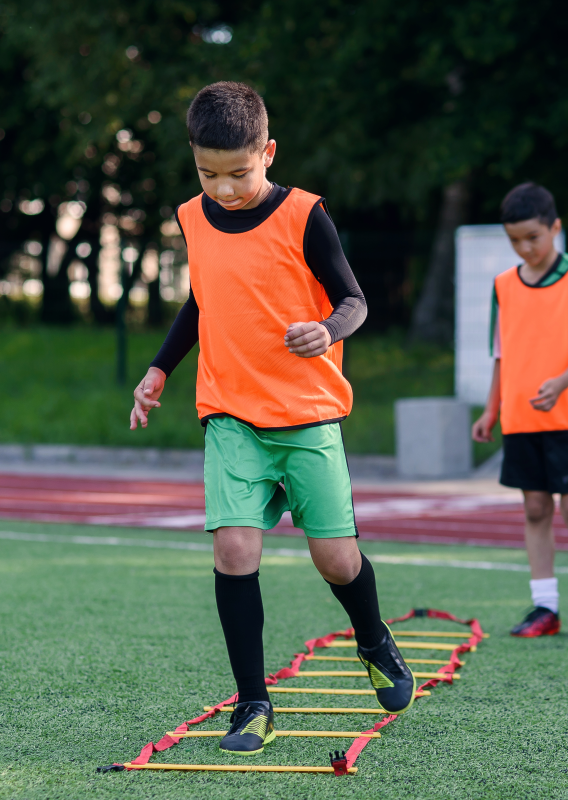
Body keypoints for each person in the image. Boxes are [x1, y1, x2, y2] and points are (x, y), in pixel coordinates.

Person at [129, 82, 415, 755]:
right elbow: (202, 300)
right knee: (234, 551)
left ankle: (373, 639)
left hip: (308, 415)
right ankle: (253, 703)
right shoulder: (193, 217)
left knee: (337, 561)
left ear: (268, 153)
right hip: (230, 413)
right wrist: (160, 368)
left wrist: (327, 329)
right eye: (208, 174)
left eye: (239, 173)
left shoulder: (305, 215)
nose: (224, 189)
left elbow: (354, 299)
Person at [472, 182, 568, 643]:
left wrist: (561, 382)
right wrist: (491, 409)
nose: (524, 248)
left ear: (555, 228)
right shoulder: (504, 285)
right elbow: (501, 354)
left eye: (533, 237)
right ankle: (545, 607)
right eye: (515, 240)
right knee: (535, 508)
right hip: (521, 415)